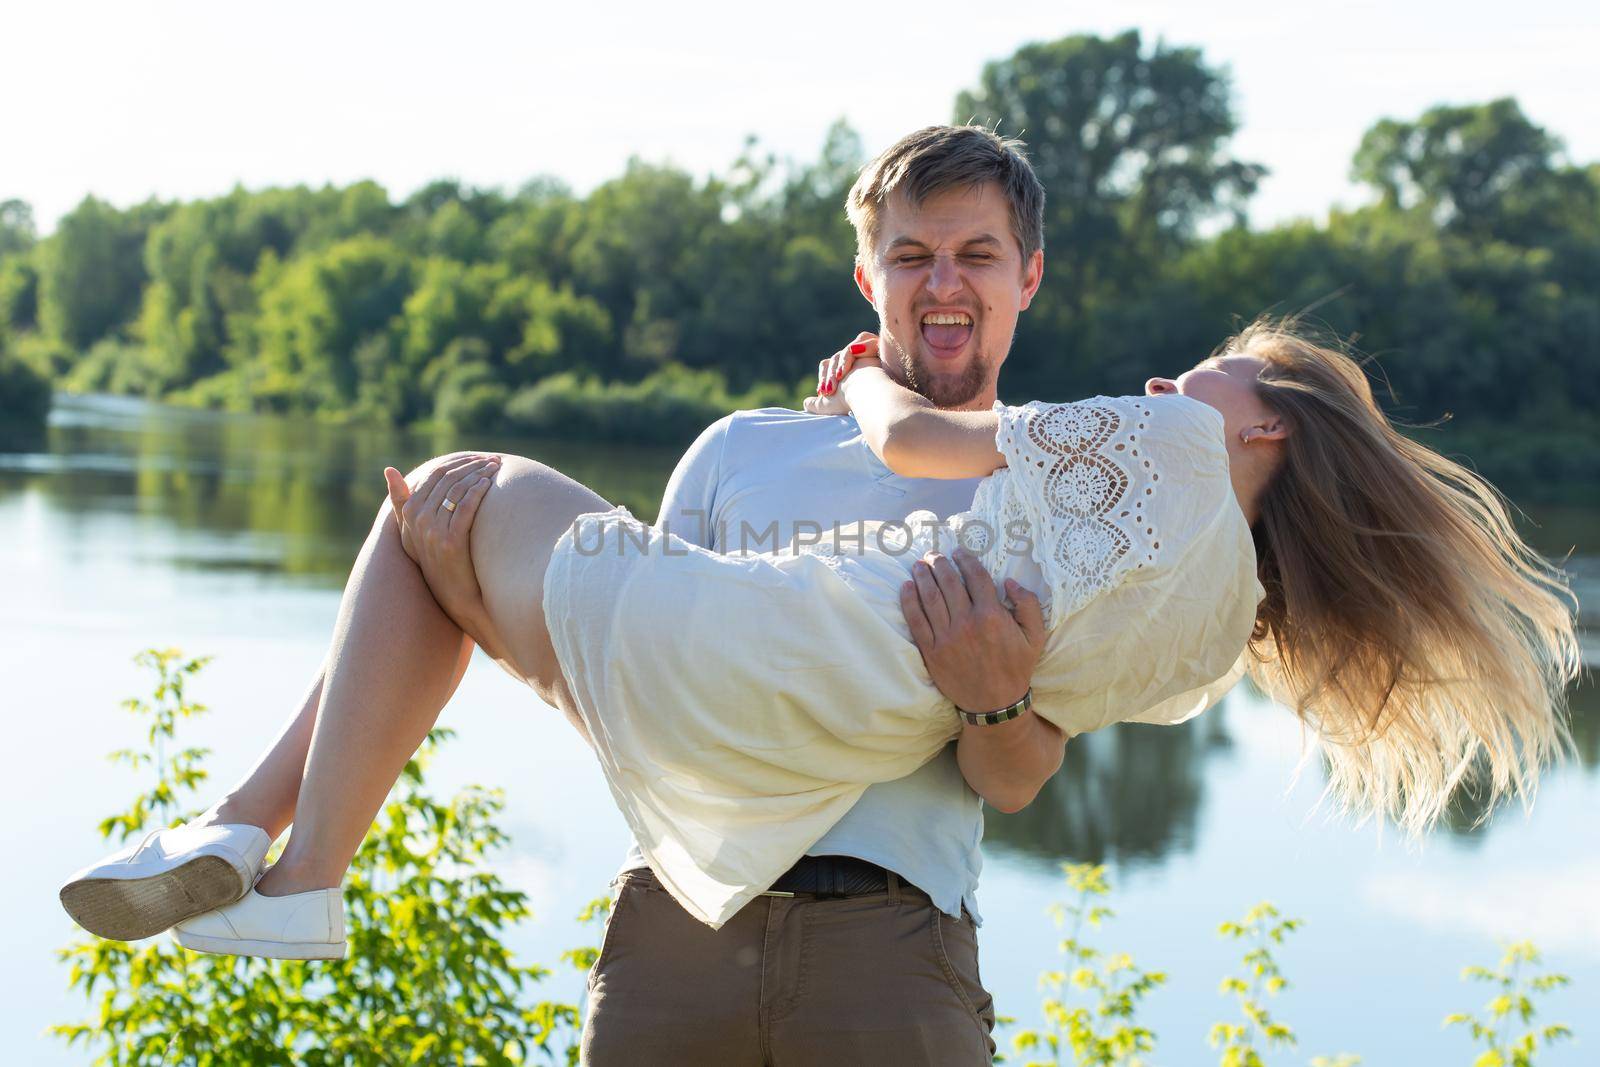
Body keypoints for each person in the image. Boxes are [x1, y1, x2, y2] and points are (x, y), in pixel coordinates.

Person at [63, 138, 1579, 1061]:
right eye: (911, 254)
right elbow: (652, 680)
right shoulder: (1192, 610)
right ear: (869, 274)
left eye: (976, 255)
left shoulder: (1109, 473)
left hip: (888, 958)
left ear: (1027, 277)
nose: (944, 281)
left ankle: (274, 839)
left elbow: (1015, 764)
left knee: (432, 511)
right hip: (681, 926)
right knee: (449, 543)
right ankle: (269, 846)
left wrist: (985, 677)